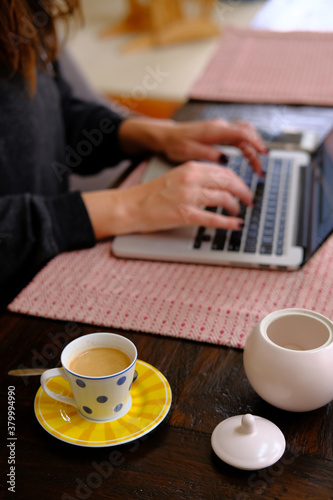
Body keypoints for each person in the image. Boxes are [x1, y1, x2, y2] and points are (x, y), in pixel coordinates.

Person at [0, 0, 267, 306]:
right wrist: (131, 206)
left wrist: (158, 134)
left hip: (50, 267)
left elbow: (52, 115)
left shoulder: (19, 10)